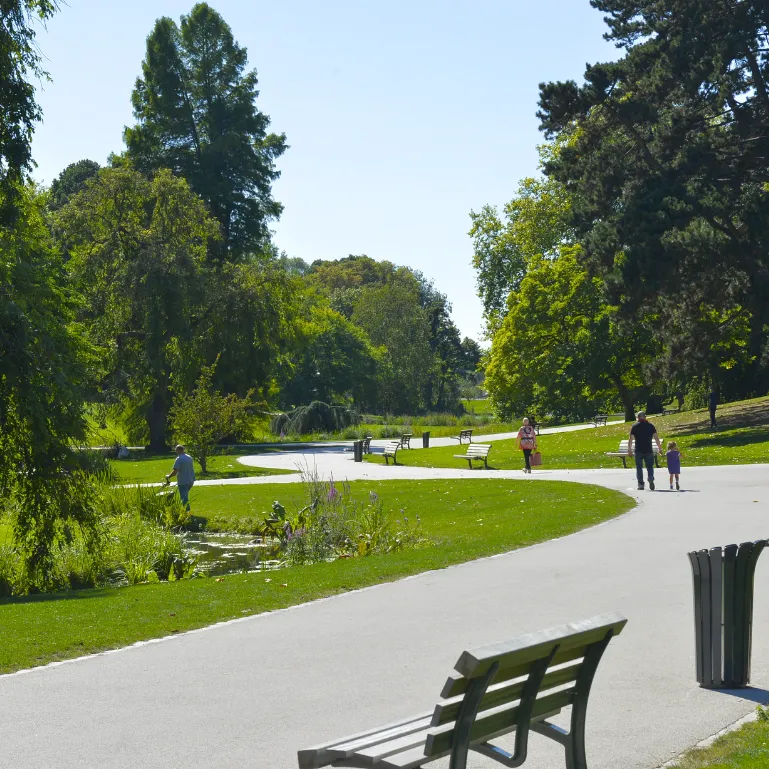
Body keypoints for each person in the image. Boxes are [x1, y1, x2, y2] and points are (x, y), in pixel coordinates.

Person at [627, 411, 662, 491]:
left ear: (638, 418)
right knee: (650, 466)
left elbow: (631, 439)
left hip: (638, 450)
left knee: (639, 467)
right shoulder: (651, 426)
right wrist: (660, 448)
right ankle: (650, 477)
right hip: (648, 449)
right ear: (645, 417)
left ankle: (641, 484)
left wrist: (629, 450)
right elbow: (656, 438)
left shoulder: (635, 426)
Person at [165, 444, 195, 511]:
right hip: (191, 480)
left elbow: (175, 471)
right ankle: (186, 510)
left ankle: (187, 511)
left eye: (176, 450)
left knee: (184, 497)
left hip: (183, 481)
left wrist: (168, 476)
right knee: (185, 495)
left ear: (178, 450)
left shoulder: (179, 459)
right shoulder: (189, 457)